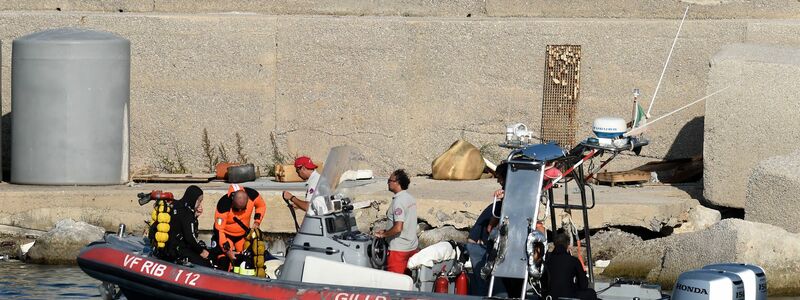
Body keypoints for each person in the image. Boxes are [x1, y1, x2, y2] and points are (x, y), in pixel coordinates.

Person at [467, 162, 507, 296]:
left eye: (500, 178)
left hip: (492, 253)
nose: (498, 181)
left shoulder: (497, 206)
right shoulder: (495, 207)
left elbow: (489, 227)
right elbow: (488, 228)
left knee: (484, 285)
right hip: (488, 251)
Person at [211, 183, 266, 271]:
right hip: (226, 236)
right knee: (224, 261)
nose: (240, 211)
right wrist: (228, 251)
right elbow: (219, 230)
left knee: (246, 260)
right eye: (237, 209)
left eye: (243, 208)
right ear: (232, 199)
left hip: (242, 236)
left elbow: (261, 206)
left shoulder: (252, 195)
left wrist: (257, 221)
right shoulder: (224, 204)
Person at [374, 169, 418, 275]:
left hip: (399, 250)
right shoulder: (410, 198)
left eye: (390, 180)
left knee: (395, 283)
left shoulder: (398, 201)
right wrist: (387, 230)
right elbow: (406, 221)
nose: (388, 183)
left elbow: (398, 228)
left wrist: (384, 235)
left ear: (397, 182)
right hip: (412, 247)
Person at [541, 228, 597, 300]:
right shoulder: (573, 261)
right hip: (568, 295)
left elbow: (543, 282)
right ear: (568, 246)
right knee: (591, 293)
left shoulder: (547, 260)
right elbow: (583, 285)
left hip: (549, 296)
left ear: (555, 244)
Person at [163, 185, 211, 267]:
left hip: (169, 248)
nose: (200, 204)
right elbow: (190, 237)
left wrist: (195, 216)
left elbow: (181, 226)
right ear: (193, 199)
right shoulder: (187, 213)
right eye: (199, 201)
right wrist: (201, 251)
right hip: (179, 251)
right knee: (207, 262)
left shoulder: (176, 204)